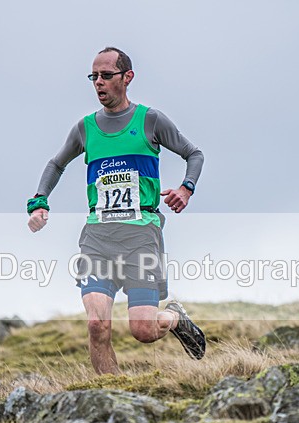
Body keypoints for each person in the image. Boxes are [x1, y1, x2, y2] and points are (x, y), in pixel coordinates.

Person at [27, 46, 206, 374]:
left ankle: (175, 318)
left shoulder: (149, 120)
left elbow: (193, 153)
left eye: (106, 76)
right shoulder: (85, 128)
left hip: (141, 236)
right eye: (93, 76)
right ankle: (111, 396)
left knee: (143, 331)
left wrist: (186, 188)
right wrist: (39, 202)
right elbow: (56, 163)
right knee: (97, 325)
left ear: (127, 77)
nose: (98, 82)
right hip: (98, 237)